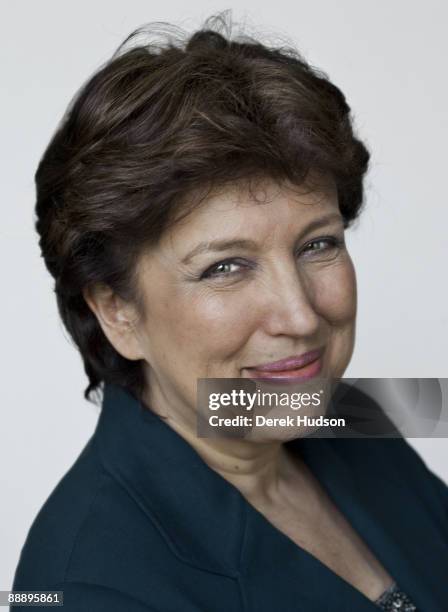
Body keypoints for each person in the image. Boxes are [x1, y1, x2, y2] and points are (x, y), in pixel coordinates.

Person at [12, 13, 448, 611]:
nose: (299, 316)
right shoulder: (85, 585)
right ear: (118, 311)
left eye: (317, 244)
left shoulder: (352, 423)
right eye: (225, 267)